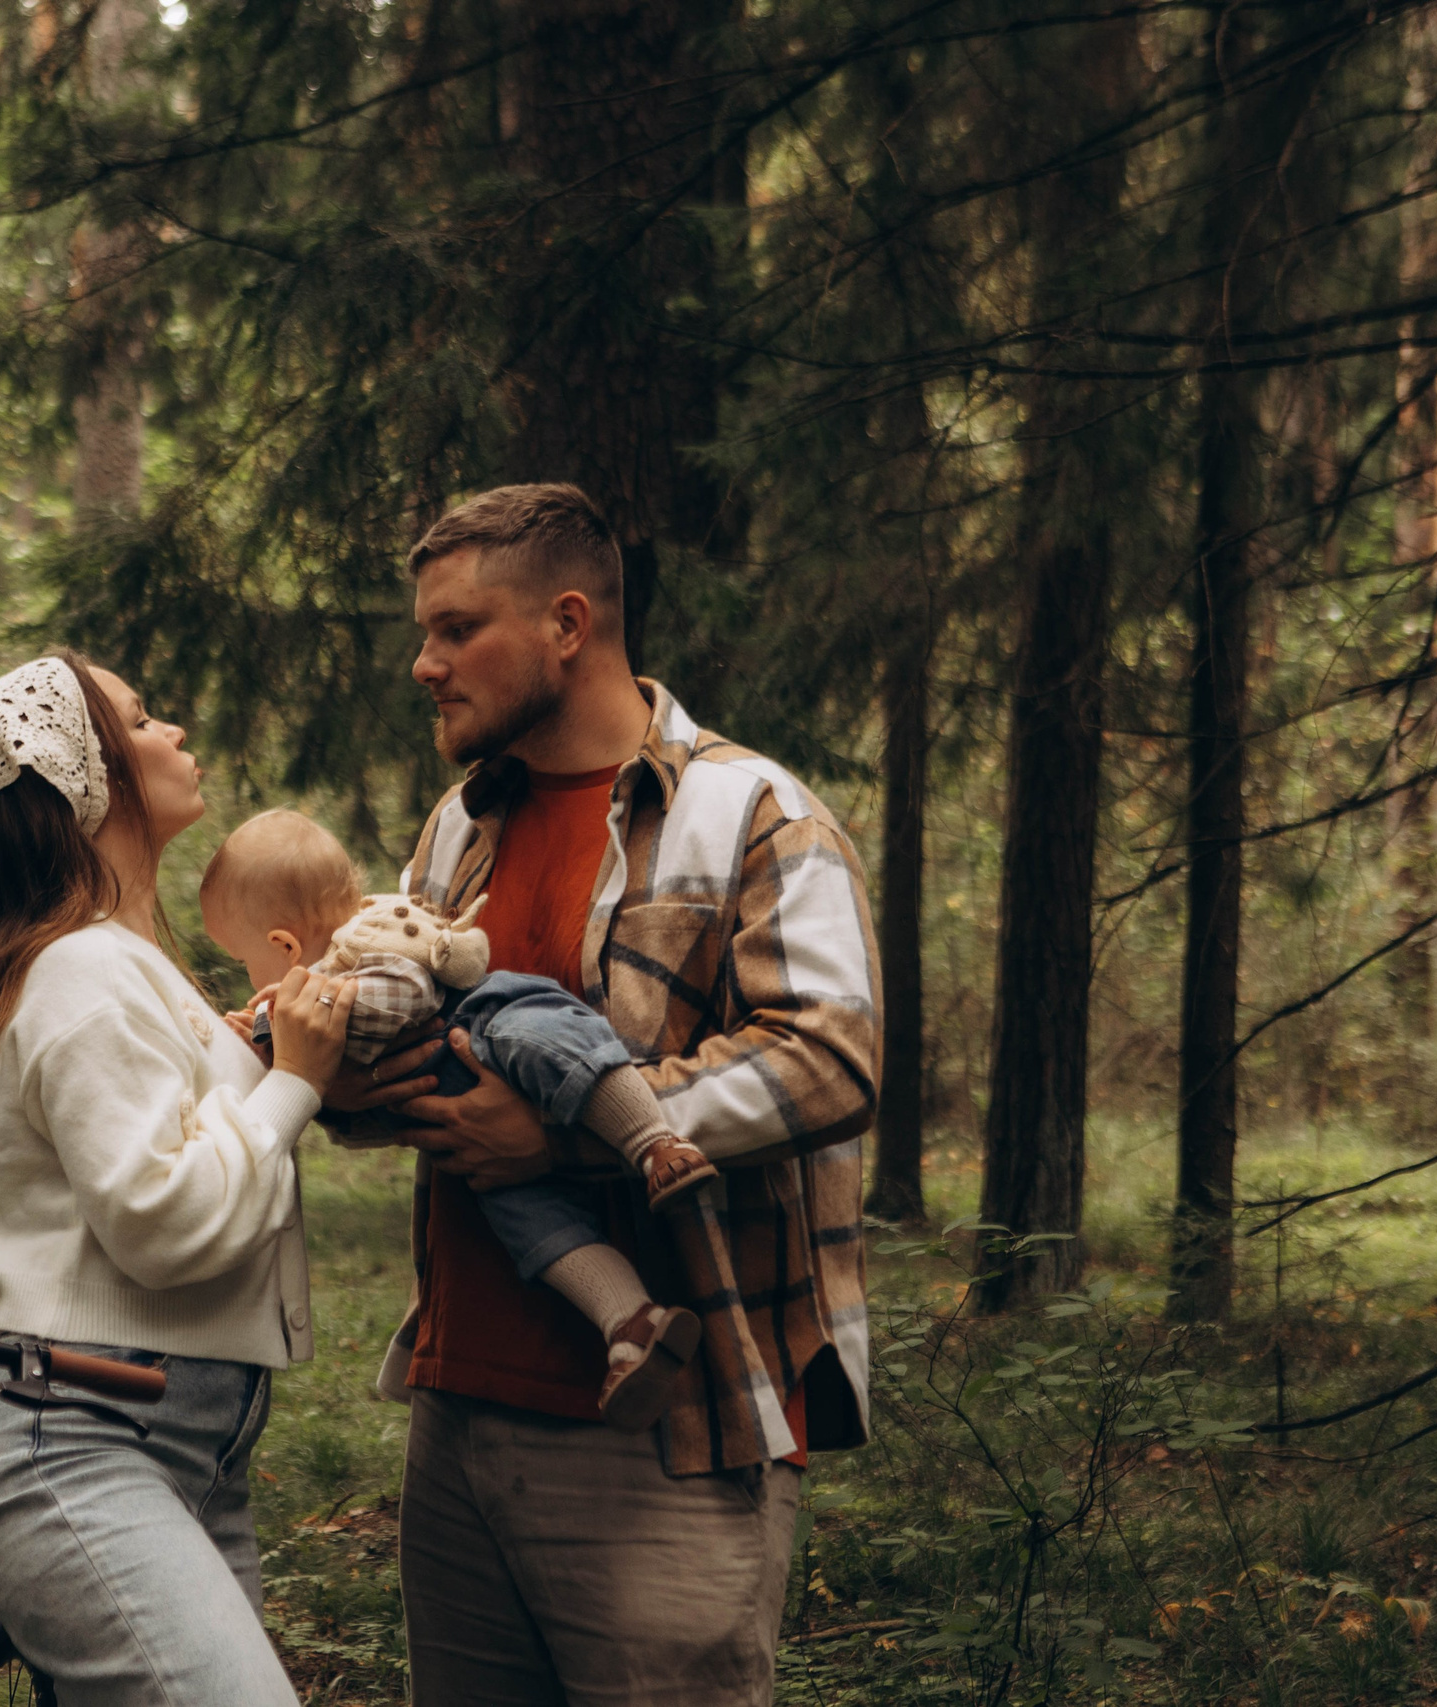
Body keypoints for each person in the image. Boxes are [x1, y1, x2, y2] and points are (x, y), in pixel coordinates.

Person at [325, 485, 880, 1707]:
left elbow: (831, 1055)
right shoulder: (454, 833)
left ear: (567, 624)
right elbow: (414, 1060)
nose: (424, 664)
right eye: (424, 632)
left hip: (664, 1429)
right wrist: (337, 1059)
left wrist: (578, 1134)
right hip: (457, 1410)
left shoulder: (750, 815)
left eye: (457, 629)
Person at [0, 650, 356, 1707]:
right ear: (84, 776)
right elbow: (160, 1220)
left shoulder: (127, 965)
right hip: (83, 1443)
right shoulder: (81, 968)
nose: (170, 733)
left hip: (188, 1442)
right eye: (141, 719)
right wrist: (293, 1084)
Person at [198, 809, 713, 1429]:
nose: (253, 982)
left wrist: (282, 1024)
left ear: (282, 946)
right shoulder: (328, 981)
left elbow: (404, 998)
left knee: (552, 1044)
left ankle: (655, 1144)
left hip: (490, 1024)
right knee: (532, 1227)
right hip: (474, 1140)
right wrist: (285, 1057)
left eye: (243, 960)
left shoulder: (376, 935)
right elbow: (371, 1099)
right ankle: (630, 1322)